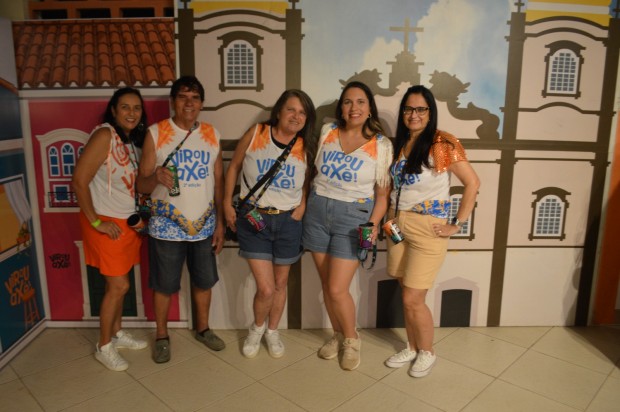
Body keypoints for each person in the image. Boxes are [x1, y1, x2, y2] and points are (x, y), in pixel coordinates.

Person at [383, 85, 480, 378]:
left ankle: (427, 351)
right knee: (405, 292)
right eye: (408, 109)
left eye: (420, 109)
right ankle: (412, 347)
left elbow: (472, 183)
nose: (413, 114)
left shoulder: (442, 143)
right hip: (397, 224)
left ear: (430, 112)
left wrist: (457, 223)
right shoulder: (401, 144)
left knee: (413, 298)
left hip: (427, 228)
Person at [303, 81, 393, 370]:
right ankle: (338, 334)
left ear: (369, 109)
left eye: (360, 102)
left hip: (353, 218)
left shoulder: (381, 145)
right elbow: (312, 173)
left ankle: (352, 340)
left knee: (336, 288)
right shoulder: (328, 132)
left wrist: (373, 224)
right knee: (327, 286)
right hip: (317, 211)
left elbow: (382, 196)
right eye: (348, 102)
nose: (354, 108)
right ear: (341, 108)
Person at [137, 75, 226, 363]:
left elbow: (219, 182)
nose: (189, 103)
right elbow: (141, 185)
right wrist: (155, 177)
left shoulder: (212, 134)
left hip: (203, 224)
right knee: (164, 285)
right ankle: (162, 336)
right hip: (166, 226)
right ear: (173, 101)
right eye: (183, 97)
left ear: (201, 103)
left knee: (204, 281)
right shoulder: (156, 133)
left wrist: (221, 223)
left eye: (195, 97)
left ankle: (203, 329)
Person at [224, 90, 316, 359]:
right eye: (291, 109)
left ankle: (273, 331)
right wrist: (226, 204)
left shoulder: (305, 145)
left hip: (288, 221)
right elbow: (234, 166)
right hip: (255, 218)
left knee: (279, 284)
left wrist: (302, 205)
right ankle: (257, 328)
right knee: (265, 288)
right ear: (278, 112)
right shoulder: (257, 133)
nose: (296, 116)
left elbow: (307, 180)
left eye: (302, 112)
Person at [73, 87, 149, 371]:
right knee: (120, 286)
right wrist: (96, 222)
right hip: (106, 223)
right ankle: (103, 346)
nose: (131, 113)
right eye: (125, 107)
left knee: (117, 283)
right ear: (114, 110)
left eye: (137, 108)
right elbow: (79, 180)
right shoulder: (104, 134)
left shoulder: (130, 141)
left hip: (126, 223)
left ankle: (116, 333)